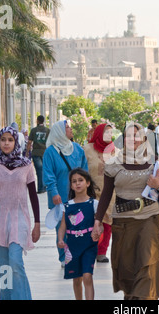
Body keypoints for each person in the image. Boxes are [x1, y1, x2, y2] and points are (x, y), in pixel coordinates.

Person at [91, 122, 159, 300]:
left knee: (146, 262)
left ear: (143, 138)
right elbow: (106, 195)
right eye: (129, 136)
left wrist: (158, 185)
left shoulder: (153, 162)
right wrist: (98, 221)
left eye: (136, 135)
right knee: (127, 271)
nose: (133, 139)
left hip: (149, 218)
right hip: (123, 222)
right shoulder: (113, 164)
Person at [0, 126, 40, 300]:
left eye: (10, 140)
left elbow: (33, 196)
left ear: (16, 142)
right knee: (4, 269)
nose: (6, 143)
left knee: (16, 262)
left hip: (20, 220)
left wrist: (37, 224)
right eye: (3, 139)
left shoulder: (26, 165)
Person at [43, 120, 88, 267]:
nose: (70, 129)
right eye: (67, 127)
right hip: (60, 197)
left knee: (78, 226)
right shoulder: (50, 152)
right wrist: (54, 193)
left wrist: (86, 189)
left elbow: (84, 170)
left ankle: (78, 254)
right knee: (62, 228)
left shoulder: (77, 149)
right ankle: (64, 257)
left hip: (78, 196)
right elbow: (49, 174)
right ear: (59, 132)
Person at [57, 168, 99, 300]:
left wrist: (98, 230)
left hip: (89, 245)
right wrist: (60, 239)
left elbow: (100, 223)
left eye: (81, 180)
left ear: (88, 183)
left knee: (87, 276)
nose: (77, 183)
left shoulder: (94, 204)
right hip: (72, 246)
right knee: (76, 279)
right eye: (74, 181)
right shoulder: (67, 206)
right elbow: (63, 225)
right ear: (71, 185)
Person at [83, 123, 115, 263]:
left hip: (111, 193)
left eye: (110, 133)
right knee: (92, 223)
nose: (109, 135)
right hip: (92, 192)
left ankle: (102, 252)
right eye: (106, 132)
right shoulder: (87, 149)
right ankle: (91, 250)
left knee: (108, 224)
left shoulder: (115, 150)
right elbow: (82, 170)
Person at [27, 115, 50, 193]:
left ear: (37, 120)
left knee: (39, 170)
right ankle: (44, 186)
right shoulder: (47, 130)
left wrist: (27, 152)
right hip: (45, 152)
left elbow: (29, 142)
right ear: (43, 121)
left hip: (36, 152)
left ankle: (41, 188)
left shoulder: (33, 130)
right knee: (45, 170)